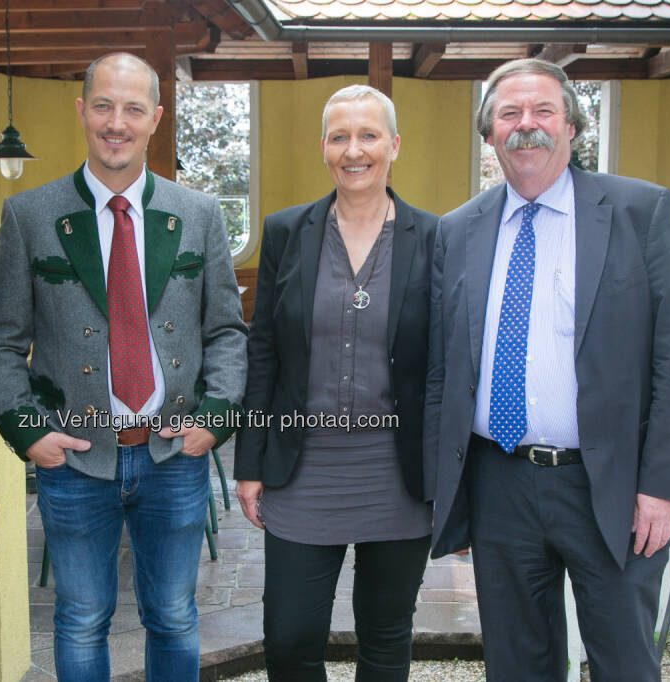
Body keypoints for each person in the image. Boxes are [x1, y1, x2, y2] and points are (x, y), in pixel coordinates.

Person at [424, 58, 670, 681]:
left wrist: (662, 486)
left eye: (544, 111)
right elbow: (445, 369)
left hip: (612, 486)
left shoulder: (641, 211)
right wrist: (450, 488)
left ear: (574, 125)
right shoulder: (457, 230)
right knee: (518, 663)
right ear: (490, 132)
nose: (528, 126)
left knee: (624, 661)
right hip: (500, 483)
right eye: (510, 114)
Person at [0, 52, 247, 681]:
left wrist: (216, 419)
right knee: (79, 618)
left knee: (175, 616)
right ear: (82, 112)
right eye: (103, 105)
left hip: (172, 454)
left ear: (156, 117)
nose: (116, 122)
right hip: (74, 456)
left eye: (133, 108)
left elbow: (228, 331)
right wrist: (29, 432)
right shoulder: (29, 215)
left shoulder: (200, 213)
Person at [234, 85, 436, 681]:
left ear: (394, 146)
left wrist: (453, 477)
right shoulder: (286, 232)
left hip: (398, 473)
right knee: (290, 639)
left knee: (385, 636)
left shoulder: (433, 238)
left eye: (369, 135)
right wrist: (250, 463)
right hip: (304, 468)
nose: (355, 150)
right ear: (323, 147)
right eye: (340, 136)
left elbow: (447, 366)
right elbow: (263, 351)